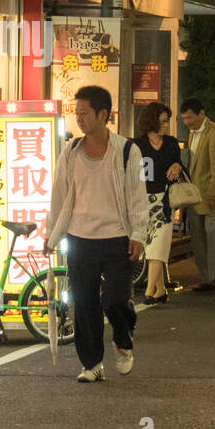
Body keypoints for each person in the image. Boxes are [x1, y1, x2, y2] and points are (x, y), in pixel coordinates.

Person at [44, 86, 149, 382]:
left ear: (104, 114)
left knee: (115, 300)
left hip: (118, 238)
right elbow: (59, 196)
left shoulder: (128, 151)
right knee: (85, 303)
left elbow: (138, 196)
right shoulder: (71, 152)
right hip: (80, 238)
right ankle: (91, 364)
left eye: (85, 113)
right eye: (76, 113)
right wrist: (52, 233)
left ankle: (123, 338)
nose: (79, 119)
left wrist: (138, 234)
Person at [178, 98, 215, 292]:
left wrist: (214, 195)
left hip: (211, 195)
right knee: (198, 237)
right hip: (194, 195)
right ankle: (205, 277)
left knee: (212, 233)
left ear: (202, 113)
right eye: (184, 118)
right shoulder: (192, 133)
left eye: (190, 117)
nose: (187, 122)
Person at [133, 102, 183, 304]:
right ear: (152, 121)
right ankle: (160, 290)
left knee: (158, 246)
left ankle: (149, 291)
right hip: (143, 202)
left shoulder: (171, 143)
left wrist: (177, 165)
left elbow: (179, 163)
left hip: (165, 200)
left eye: (167, 121)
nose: (166, 125)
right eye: (163, 121)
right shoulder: (137, 145)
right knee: (150, 244)